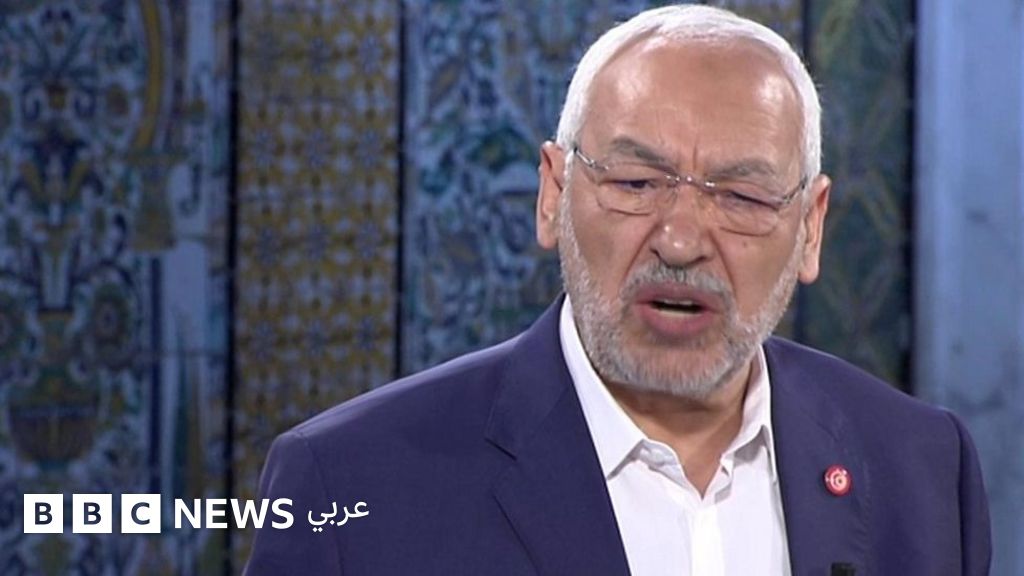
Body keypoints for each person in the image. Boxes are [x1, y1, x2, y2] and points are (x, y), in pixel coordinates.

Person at [244, 5, 991, 575]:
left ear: (811, 228)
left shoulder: (922, 470)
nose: (681, 240)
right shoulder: (348, 483)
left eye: (742, 196)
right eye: (636, 183)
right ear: (552, 195)